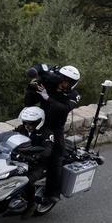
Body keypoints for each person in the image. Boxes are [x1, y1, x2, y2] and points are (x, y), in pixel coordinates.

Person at [26, 64, 81, 203]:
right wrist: (33, 79)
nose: (64, 83)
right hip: (39, 122)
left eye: (68, 82)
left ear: (73, 83)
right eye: (63, 79)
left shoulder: (74, 95)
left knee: (57, 156)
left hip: (55, 127)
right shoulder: (50, 82)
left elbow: (65, 108)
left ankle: (53, 193)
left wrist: (47, 98)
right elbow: (42, 67)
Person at [11, 105, 52, 216]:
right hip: (22, 160)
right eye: (25, 122)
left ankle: (31, 204)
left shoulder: (46, 133)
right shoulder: (22, 129)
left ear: (39, 122)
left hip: (40, 164)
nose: (27, 126)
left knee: (26, 180)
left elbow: (48, 150)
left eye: (31, 123)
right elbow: (10, 136)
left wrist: (36, 156)